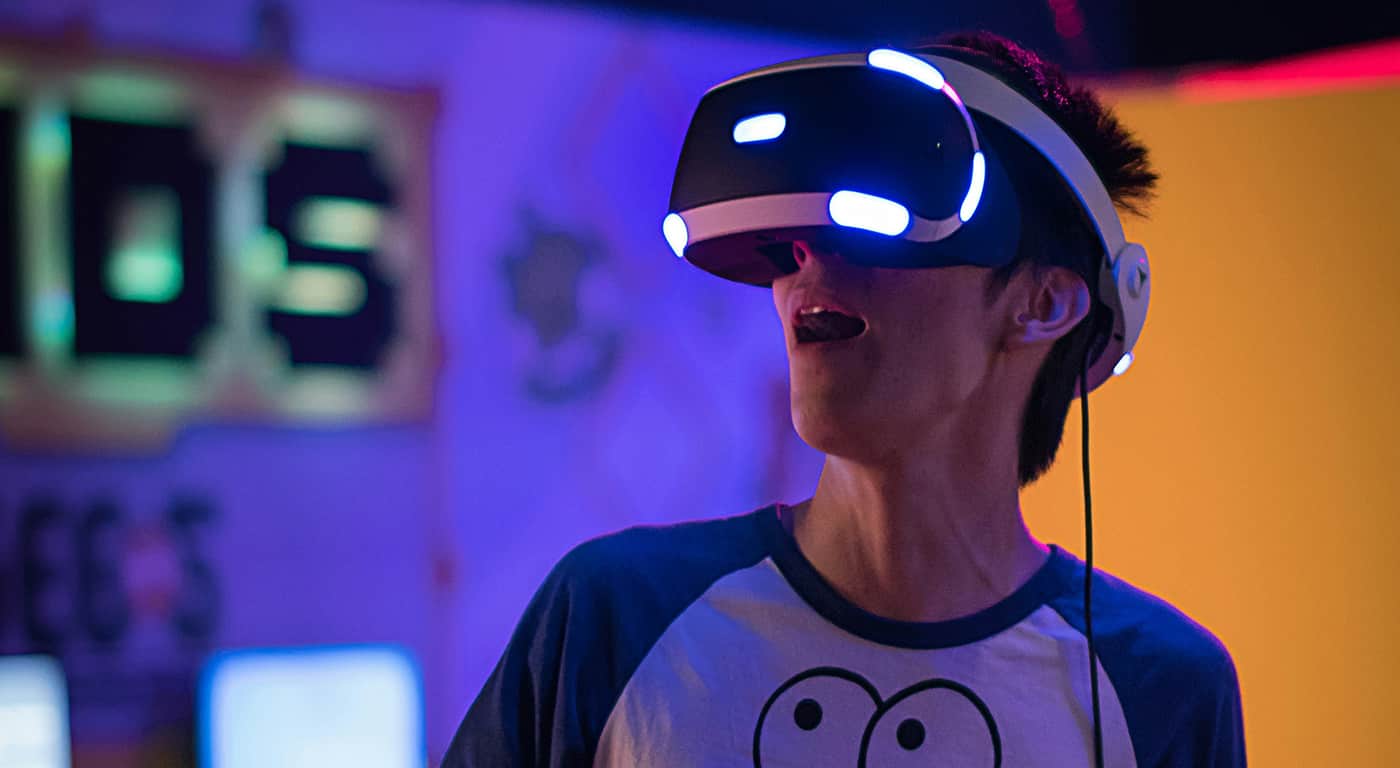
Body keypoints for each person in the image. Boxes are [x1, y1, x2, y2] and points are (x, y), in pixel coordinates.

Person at [444, 30, 1244, 767]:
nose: (805, 255)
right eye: (792, 233)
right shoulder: (612, 617)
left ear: (1043, 304)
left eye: (872, 218)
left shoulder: (1163, 689)